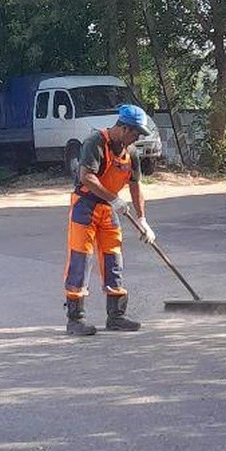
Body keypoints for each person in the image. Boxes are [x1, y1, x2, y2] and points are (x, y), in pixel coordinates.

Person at [62, 104, 156, 336]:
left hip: (108, 209)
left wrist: (143, 219)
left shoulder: (130, 152)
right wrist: (114, 198)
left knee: (113, 258)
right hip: (85, 206)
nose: (137, 138)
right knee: (80, 259)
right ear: (123, 128)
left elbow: (135, 186)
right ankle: (76, 319)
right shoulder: (95, 142)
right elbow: (87, 177)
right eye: (135, 133)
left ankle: (116, 316)